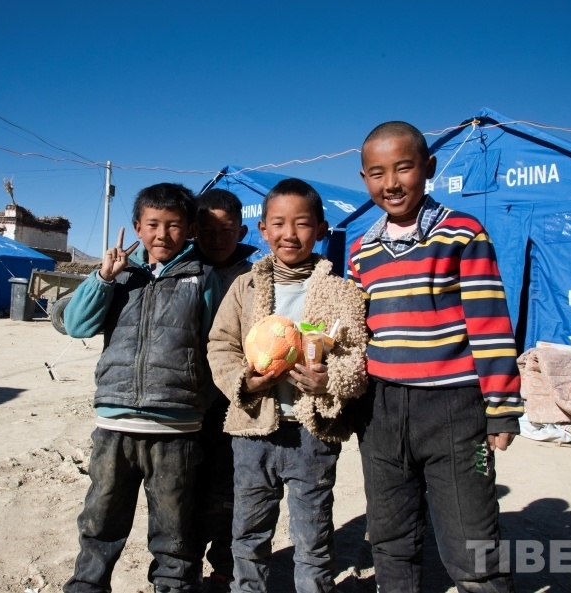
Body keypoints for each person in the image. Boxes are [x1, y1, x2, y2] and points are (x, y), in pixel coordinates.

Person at [348, 121, 523, 593]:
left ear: (428, 167)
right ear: (364, 178)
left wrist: (501, 407)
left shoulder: (462, 233)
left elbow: (489, 323)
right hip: (380, 411)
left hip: (454, 408)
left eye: (403, 168)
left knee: (473, 544)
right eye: (377, 173)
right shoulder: (361, 250)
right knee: (390, 537)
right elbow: (358, 331)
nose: (391, 183)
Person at [207, 178, 368, 593]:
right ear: (263, 230)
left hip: (312, 436)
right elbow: (221, 345)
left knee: (313, 536)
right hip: (252, 431)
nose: (289, 233)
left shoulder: (340, 292)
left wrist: (330, 379)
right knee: (248, 533)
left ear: (321, 229)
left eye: (302, 223)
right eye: (278, 223)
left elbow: (356, 354)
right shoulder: (245, 287)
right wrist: (243, 380)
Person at [62, 183, 220, 593]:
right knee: (100, 521)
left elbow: (216, 348)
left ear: (190, 229)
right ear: (137, 227)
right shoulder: (119, 278)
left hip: (176, 428)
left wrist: (194, 403)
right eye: (152, 224)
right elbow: (77, 325)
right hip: (114, 423)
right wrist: (103, 277)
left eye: (174, 225)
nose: (162, 234)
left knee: (174, 528)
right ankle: (87, 586)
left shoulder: (203, 278)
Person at [192, 188, 258, 592]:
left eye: (226, 231)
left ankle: (224, 569)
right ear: (193, 231)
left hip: (234, 401)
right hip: (187, 400)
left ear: (242, 231)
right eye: (207, 231)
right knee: (185, 489)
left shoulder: (256, 280)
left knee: (230, 488)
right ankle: (182, 569)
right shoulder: (181, 271)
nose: (217, 239)